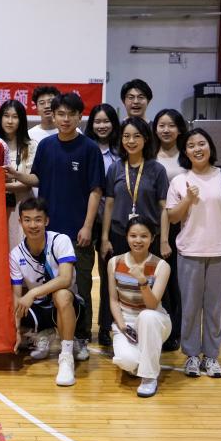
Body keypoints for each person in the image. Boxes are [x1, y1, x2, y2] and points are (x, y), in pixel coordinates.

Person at [12, 92, 104, 362]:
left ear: (79, 117)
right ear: (53, 116)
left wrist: (87, 226)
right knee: (45, 286)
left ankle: (80, 337)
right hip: (46, 233)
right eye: (60, 114)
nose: (65, 119)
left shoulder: (89, 148)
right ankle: (46, 333)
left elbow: (96, 191)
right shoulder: (46, 145)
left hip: (77, 232)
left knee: (80, 288)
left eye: (70, 114)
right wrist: (16, 174)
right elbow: (37, 178)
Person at [166, 128, 221, 379]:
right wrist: (187, 199)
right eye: (191, 145)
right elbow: (173, 217)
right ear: (185, 152)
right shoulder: (179, 181)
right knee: (191, 307)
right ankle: (192, 355)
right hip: (189, 252)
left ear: (210, 147)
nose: (197, 149)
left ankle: (212, 356)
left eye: (201, 143)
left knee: (214, 308)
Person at [100, 116, 170, 341]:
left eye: (136, 136)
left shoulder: (157, 169)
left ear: (146, 139)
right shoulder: (115, 168)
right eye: (126, 136)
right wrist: (104, 237)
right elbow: (109, 204)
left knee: (149, 283)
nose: (131, 141)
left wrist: (164, 240)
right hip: (120, 234)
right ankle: (109, 328)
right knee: (113, 283)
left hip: (147, 237)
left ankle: (152, 330)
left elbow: (164, 208)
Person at [10, 198, 83, 387]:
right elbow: (16, 296)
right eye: (27, 220)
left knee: (61, 295)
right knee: (12, 308)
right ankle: (44, 333)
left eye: (38, 219)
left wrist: (32, 293)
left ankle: (66, 356)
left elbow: (65, 279)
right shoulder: (16, 254)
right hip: (40, 309)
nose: (33, 225)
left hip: (68, 305)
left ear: (46, 221)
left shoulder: (60, 240)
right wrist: (15, 330)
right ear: (20, 222)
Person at [106, 216, 171, 398]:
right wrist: (122, 326)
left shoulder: (161, 266)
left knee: (146, 316)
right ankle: (146, 358)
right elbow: (113, 300)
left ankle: (149, 378)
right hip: (126, 322)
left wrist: (142, 281)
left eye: (144, 236)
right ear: (126, 237)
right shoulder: (114, 262)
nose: (138, 240)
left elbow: (152, 305)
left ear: (152, 238)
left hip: (155, 320)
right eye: (133, 235)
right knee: (126, 361)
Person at [153, 108, 189, 350]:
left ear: (179, 129)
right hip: (153, 225)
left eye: (171, 125)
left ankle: (176, 331)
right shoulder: (149, 155)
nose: (166, 130)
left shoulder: (188, 156)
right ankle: (158, 327)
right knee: (157, 279)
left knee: (176, 281)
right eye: (162, 125)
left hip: (182, 225)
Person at [87, 103, 121, 345]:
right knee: (82, 276)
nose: (102, 126)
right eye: (97, 121)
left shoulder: (121, 151)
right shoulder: (85, 148)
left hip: (113, 223)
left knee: (110, 276)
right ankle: (81, 328)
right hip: (87, 221)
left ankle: (107, 326)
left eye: (106, 121)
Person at [0, 99, 35, 249]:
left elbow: (28, 183)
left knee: (19, 248)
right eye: (6, 116)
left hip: (21, 206)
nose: (10, 121)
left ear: (21, 120)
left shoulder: (30, 146)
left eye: (15, 117)